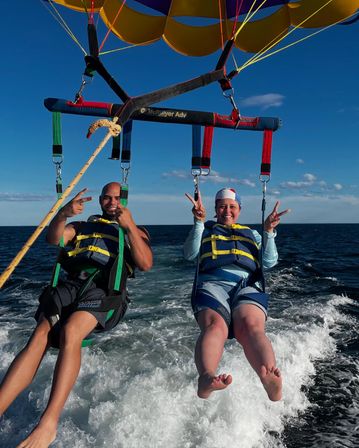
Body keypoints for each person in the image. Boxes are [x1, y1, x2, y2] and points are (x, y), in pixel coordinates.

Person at [0, 182, 153, 448]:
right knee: (40, 335)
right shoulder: (82, 226)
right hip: (71, 285)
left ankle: (48, 423)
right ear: (101, 201)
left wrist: (129, 226)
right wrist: (63, 215)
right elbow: (53, 239)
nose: (112, 202)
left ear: (125, 201)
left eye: (117, 198)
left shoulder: (135, 231)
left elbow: (145, 263)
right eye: (107, 198)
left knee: (71, 331)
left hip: (105, 291)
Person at [184, 187, 289, 401]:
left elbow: (269, 262)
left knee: (250, 325)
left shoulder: (254, 234)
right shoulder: (204, 230)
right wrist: (198, 223)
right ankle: (206, 378)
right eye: (222, 206)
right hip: (213, 284)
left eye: (232, 206)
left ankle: (268, 375)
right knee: (216, 326)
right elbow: (190, 254)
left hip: (246, 285)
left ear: (239, 209)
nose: (227, 211)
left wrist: (268, 231)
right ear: (215, 209)